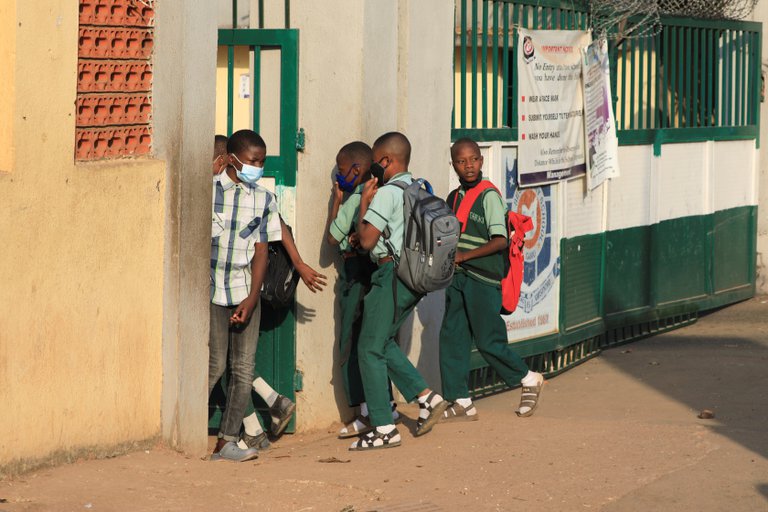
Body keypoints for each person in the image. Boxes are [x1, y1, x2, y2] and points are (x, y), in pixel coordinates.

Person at [209, 133, 327, 456]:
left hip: (244, 291)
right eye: (252, 161)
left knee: (243, 367)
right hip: (211, 291)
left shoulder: (262, 199)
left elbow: (262, 251)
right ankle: (187, 427)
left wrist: (251, 297)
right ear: (232, 159)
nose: (257, 167)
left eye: (261, 162)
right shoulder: (207, 191)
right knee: (216, 365)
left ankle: (227, 440)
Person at [351, 132, 448, 451]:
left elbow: (366, 241)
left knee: (368, 347)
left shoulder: (388, 194)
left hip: (390, 273)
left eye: (376, 162)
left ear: (387, 161)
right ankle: (427, 398)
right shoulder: (418, 188)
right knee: (382, 342)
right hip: (414, 276)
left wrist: (365, 201)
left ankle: (383, 427)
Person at [438, 137, 544, 423]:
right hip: (458, 279)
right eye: (461, 161)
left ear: (481, 161)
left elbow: (499, 241)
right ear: (454, 165)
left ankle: (528, 377)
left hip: (482, 280)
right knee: (452, 338)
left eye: (473, 159)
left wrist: (463, 256)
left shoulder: (489, 196)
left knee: (488, 341)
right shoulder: (453, 197)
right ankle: (460, 400)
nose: (468, 165)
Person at [325, 141, 400, 439]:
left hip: (355, 275)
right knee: (376, 340)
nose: (339, 176)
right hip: (377, 272)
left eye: (342, 171)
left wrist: (336, 200)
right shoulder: (381, 192)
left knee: (353, 343)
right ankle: (386, 404)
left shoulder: (357, 196)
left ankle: (369, 411)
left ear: (356, 169)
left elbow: (332, 238)